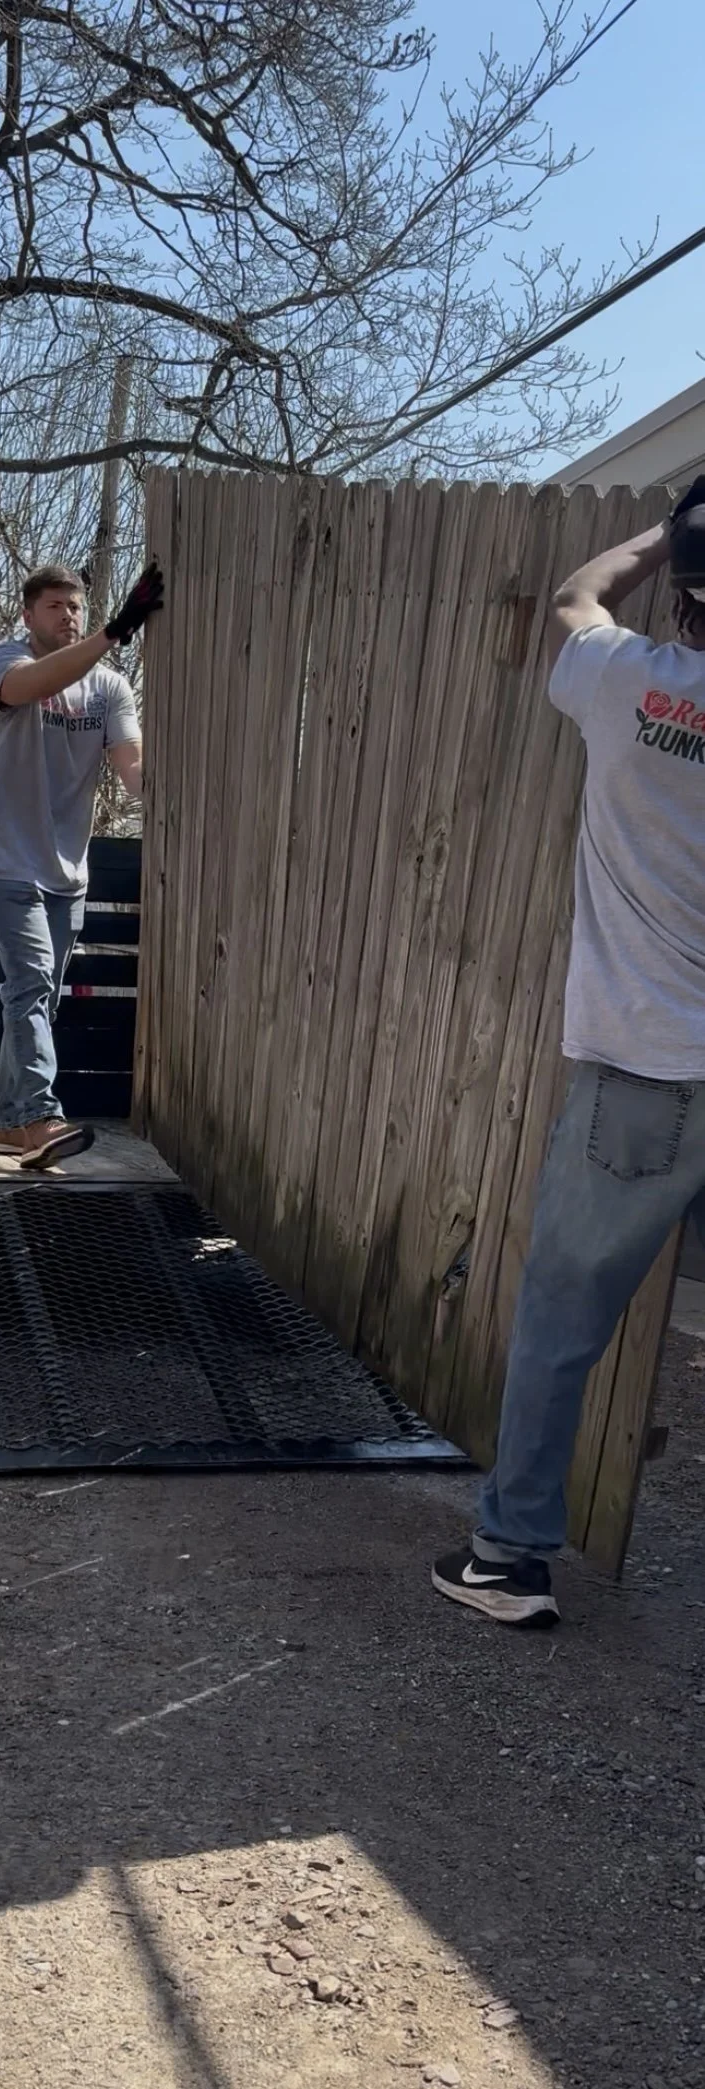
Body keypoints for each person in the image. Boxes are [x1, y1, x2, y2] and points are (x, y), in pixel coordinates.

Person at [433, 476, 705, 1628]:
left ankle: (508, 1558)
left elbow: (574, 595)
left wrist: (663, 529)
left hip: (643, 1068)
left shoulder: (629, 678)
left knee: (559, 1321)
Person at [0, 559, 163, 1168]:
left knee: (41, 996)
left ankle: (7, 1124)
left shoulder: (108, 689)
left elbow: (132, 770)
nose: (68, 615)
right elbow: (36, 685)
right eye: (55, 606)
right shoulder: (3, 663)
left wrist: (168, 788)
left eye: (76, 607)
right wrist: (113, 632)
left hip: (66, 869)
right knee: (28, 984)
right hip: (5, 857)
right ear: (28, 615)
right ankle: (41, 1119)